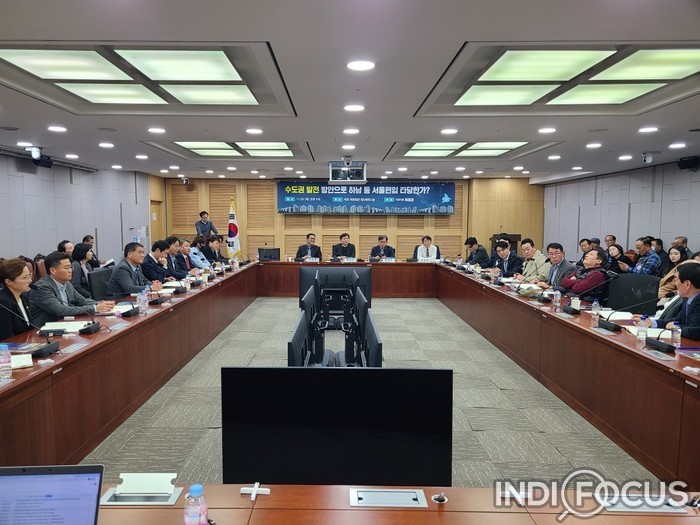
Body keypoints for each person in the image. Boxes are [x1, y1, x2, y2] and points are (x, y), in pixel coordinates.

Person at [29, 251, 114, 328]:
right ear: (53, 270)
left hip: (66, 325)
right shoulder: (42, 287)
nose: (70, 271)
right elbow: (60, 310)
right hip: (44, 331)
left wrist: (100, 303)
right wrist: (95, 308)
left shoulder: (66, 283)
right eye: (66, 268)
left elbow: (82, 300)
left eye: (71, 267)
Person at [636, 262, 700, 340]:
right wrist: (652, 323)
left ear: (687, 284)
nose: (675, 284)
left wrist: (676, 328)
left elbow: (695, 331)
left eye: (676, 279)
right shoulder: (688, 297)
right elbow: (678, 320)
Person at [0, 258, 34, 340]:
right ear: (8, 282)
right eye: (25, 277)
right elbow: (6, 337)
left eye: (29, 275)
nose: (30, 280)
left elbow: (30, 328)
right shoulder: (3, 303)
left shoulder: (24, 297)